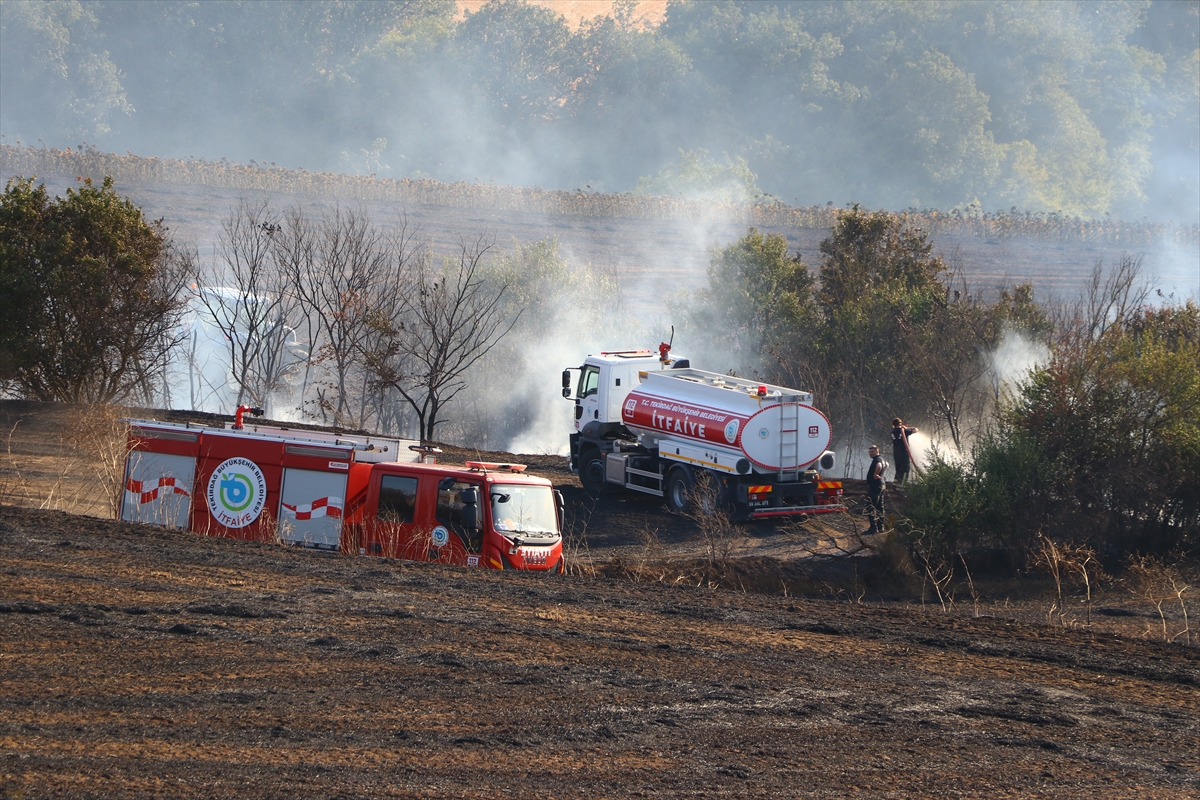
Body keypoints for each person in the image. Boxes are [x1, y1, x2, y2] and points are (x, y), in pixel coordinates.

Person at [865, 445, 887, 534]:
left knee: (870, 506)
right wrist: (881, 474)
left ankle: (873, 528)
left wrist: (875, 475)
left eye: (872, 451)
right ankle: (880, 527)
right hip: (881, 485)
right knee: (879, 507)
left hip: (875, 486)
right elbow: (887, 465)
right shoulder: (882, 459)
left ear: (877, 451)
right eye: (870, 452)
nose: (870, 453)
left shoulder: (877, 459)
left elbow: (879, 466)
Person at [891, 418, 918, 484]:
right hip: (904, 452)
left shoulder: (892, 432)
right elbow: (916, 430)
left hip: (896, 453)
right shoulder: (904, 431)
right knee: (905, 469)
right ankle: (903, 485)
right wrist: (906, 428)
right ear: (900, 423)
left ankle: (895, 483)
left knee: (898, 469)